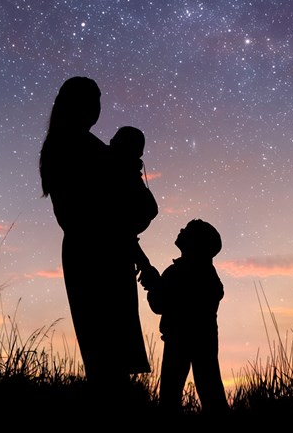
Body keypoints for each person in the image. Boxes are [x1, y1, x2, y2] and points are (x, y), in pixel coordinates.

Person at [39, 77, 151, 398]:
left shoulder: (80, 145)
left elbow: (117, 213)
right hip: (96, 254)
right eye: (91, 100)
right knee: (106, 356)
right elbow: (107, 213)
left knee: (108, 356)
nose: (97, 108)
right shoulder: (76, 147)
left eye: (99, 101)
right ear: (75, 105)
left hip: (100, 251)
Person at [140, 219, 229, 414]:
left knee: (172, 397)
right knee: (210, 390)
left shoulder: (181, 271)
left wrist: (155, 286)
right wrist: (157, 285)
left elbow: (160, 304)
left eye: (188, 230)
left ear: (197, 243)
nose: (181, 229)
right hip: (200, 339)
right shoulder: (203, 273)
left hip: (179, 339)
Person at [109, 125, 159, 275]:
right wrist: (143, 262)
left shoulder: (128, 173)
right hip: (116, 251)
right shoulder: (120, 174)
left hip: (124, 250)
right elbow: (120, 228)